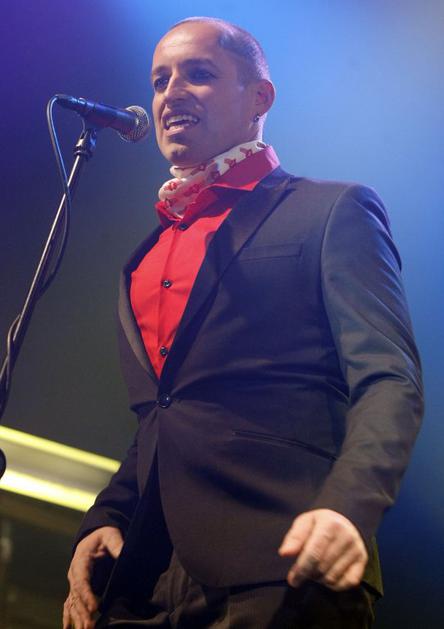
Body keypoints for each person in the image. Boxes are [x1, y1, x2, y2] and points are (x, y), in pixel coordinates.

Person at [63, 16, 423, 629]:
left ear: (260, 98)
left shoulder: (330, 211)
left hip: (284, 564)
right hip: (144, 584)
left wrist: (350, 506)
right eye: (159, 80)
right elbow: (165, 414)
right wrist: (108, 515)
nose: (171, 93)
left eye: (198, 74)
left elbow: (390, 379)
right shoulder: (144, 258)